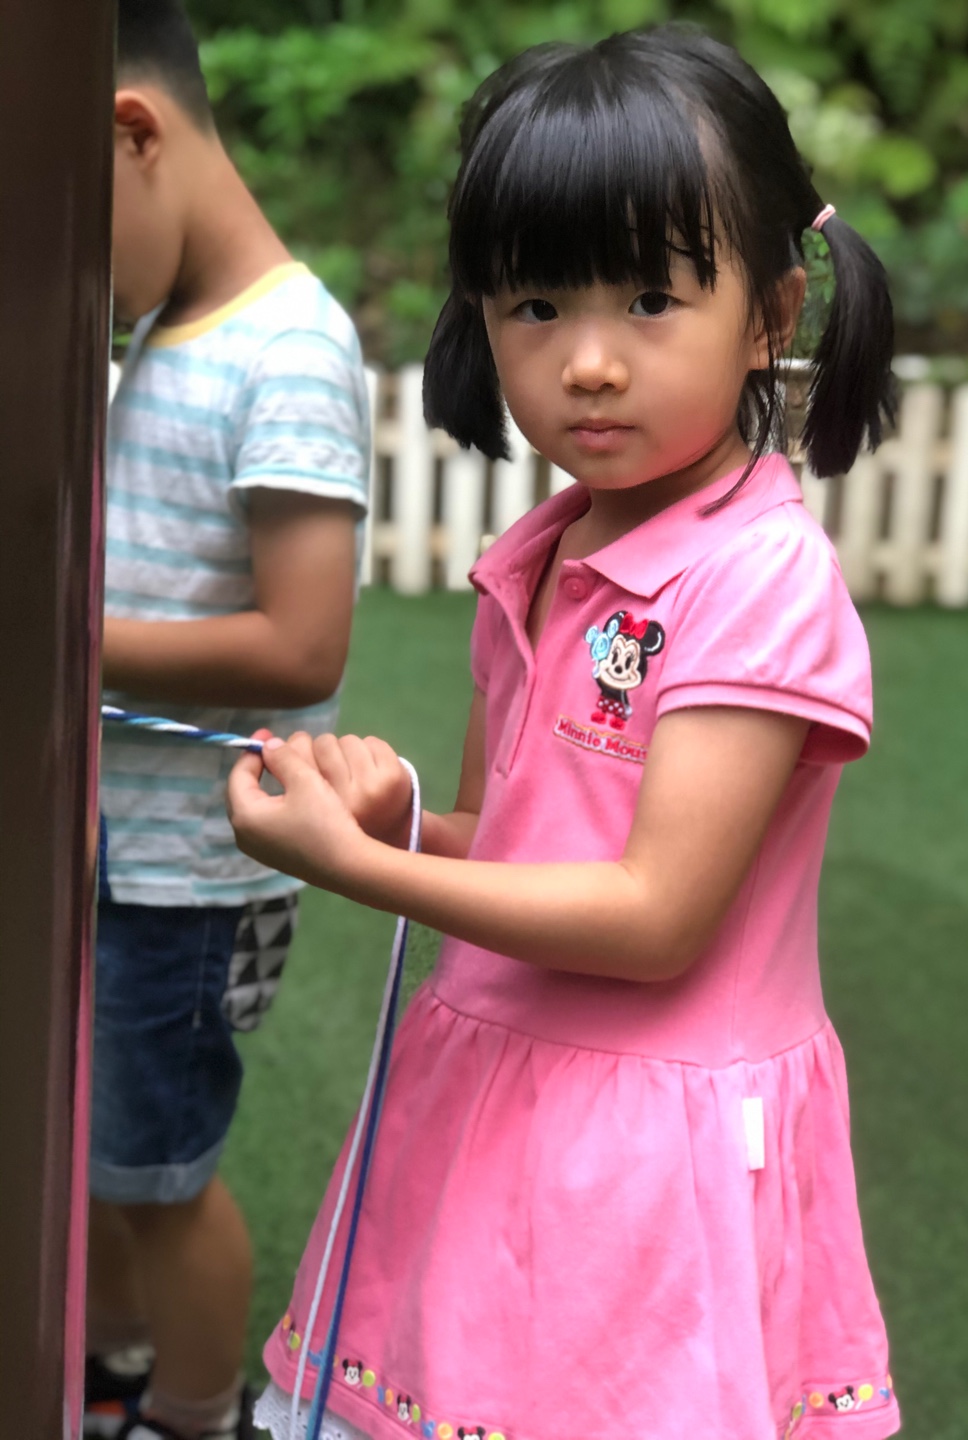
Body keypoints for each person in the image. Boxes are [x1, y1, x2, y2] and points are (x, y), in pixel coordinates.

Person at [229, 26, 900, 1440]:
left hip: (651, 1151)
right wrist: (403, 818)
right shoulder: (536, 559)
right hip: (487, 1088)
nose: (589, 362)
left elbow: (654, 915)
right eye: (536, 304)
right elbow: (514, 839)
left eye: (652, 298)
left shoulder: (759, 577)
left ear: (771, 312)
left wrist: (360, 870)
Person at [84, 3, 370, 1438]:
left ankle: (196, 1411)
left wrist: (63, 645)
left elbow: (302, 643)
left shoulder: (289, 345)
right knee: (100, 1154)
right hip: (114, 845)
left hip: (191, 870)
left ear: (131, 133)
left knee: (160, 1174)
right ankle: (109, 1360)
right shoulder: (160, 326)